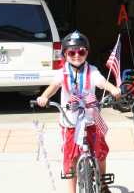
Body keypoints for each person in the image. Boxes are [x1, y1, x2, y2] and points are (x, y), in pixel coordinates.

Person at [36, 31, 121, 193]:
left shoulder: (92, 70)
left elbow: (102, 82)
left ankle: (103, 184)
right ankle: (71, 191)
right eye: (71, 52)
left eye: (81, 51)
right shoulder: (63, 73)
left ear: (87, 52)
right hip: (71, 123)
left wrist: (113, 89)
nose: (77, 55)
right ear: (65, 54)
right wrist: (44, 96)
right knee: (71, 158)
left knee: (100, 152)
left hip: (91, 121)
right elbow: (53, 87)